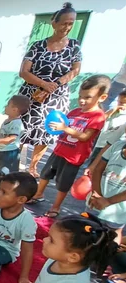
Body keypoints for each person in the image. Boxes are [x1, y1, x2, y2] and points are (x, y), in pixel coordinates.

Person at [30, 75, 110, 218]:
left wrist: (65, 128)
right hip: (59, 150)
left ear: (102, 97)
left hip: (74, 157)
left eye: (87, 97)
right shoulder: (74, 112)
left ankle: (56, 207)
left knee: (63, 183)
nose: (81, 100)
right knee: (45, 173)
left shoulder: (97, 116)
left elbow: (85, 136)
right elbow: (62, 129)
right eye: (80, 96)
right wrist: (55, 127)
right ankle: (38, 194)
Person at [19, 3, 82, 177]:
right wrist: (43, 84)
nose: (67, 27)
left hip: (56, 96)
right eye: (63, 23)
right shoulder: (37, 46)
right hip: (32, 93)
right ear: (54, 23)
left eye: (71, 24)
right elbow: (24, 71)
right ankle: (14, 160)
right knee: (22, 126)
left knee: (47, 130)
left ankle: (32, 166)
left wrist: (55, 84)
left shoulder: (74, 47)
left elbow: (75, 71)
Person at [89, 139, 126, 245]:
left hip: (118, 210)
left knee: (113, 233)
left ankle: (106, 256)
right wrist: (96, 194)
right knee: (88, 226)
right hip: (96, 200)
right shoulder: (117, 145)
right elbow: (98, 169)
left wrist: (108, 201)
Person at [87, 89, 126, 173]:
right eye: (119, 102)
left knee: (101, 170)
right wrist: (111, 111)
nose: (120, 105)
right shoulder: (114, 112)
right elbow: (100, 120)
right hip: (100, 145)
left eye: (123, 103)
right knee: (91, 168)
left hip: (111, 148)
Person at [0, 95, 30, 173]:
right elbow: (1, 134)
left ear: (14, 109)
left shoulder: (16, 123)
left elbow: (11, 138)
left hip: (9, 153)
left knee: (6, 172)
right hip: (2, 150)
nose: (5, 107)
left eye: (8, 105)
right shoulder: (6, 121)